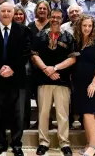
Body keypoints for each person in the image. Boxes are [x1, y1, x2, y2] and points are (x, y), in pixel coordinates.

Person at [0, 2, 32, 156]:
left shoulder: (24, 31)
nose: (5, 13)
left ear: (13, 13)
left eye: (8, 11)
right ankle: (0, 143)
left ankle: (16, 143)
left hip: (17, 78)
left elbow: (26, 53)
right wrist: (0, 68)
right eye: (3, 11)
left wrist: (12, 68)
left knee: (18, 113)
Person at [32, 9, 77, 156]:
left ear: (62, 19)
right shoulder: (40, 35)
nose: (55, 19)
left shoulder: (68, 37)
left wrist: (55, 68)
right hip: (44, 80)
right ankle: (43, 143)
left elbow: (72, 58)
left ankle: (64, 143)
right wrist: (46, 69)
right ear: (49, 18)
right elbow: (34, 55)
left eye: (58, 17)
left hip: (62, 81)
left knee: (62, 114)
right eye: (53, 17)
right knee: (43, 114)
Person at [72, 15, 95, 156]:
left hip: (93, 83)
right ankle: (88, 143)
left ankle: (93, 145)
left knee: (88, 113)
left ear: (93, 27)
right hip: (79, 84)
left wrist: (94, 83)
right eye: (84, 25)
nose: (87, 28)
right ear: (79, 26)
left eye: (90, 26)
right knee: (84, 113)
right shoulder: (78, 41)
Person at [27, 0, 51, 129]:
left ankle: (49, 119)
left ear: (48, 11)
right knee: (37, 94)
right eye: (40, 8)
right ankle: (41, 119)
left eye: (44, 9)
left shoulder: (52, 25)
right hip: (34, 65)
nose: (42, 11)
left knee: (48, 94)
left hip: (49, 65)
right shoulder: (30, 26)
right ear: (36, 10)